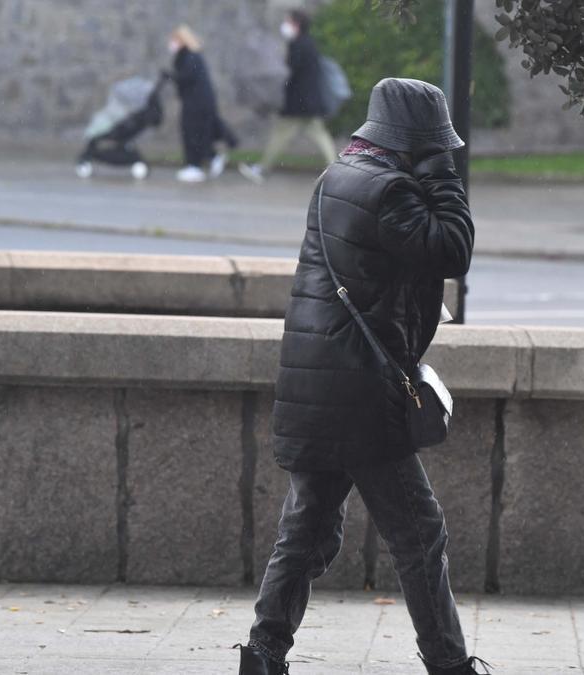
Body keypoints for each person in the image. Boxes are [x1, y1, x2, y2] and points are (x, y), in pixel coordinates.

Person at [235, 79, 486, 675]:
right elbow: (453, 249)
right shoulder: (390, 191)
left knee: (308, 529)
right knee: (419, 533)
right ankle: (449, 665)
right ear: (417, 141)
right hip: (359, 391)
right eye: (434, 145)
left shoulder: (338, 176)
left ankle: (263, 656)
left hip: (316, 382)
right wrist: (444, 174)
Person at [238, 9, 336, 184]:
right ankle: (336, 170)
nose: (284, 25)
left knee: (281, 134)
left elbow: (292, 70)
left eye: (288, 22)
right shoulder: (307, 43)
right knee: (319, 134)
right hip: (307, 101)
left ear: (296, 24)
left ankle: (262, 169)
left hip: (299, 102)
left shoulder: (299, 44)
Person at [167, 25, 236, 182]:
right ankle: (210, 158)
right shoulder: (188, 56)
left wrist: (172, 76)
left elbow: (186, 78)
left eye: (174, 40)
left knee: (193, 133)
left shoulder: (190, 56)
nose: (171, 44)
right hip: (197, 101)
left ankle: (195, 166)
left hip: (197, 102)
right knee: (197, 132)